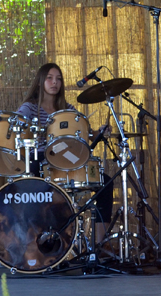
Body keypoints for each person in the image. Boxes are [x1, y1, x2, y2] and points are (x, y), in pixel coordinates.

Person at [16, 63, 115, 245]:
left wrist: (98, 132)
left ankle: (99, 246)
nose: (55, 82)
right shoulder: (29, 108)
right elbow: (17, 126)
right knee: (35, 169)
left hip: (68, 159)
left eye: (59, 79)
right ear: (40, 82)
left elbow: (84, 131)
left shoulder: (67, 108)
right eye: (50, 78)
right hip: (41, 159)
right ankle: (44, 241)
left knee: (106, 182)